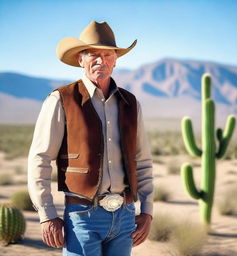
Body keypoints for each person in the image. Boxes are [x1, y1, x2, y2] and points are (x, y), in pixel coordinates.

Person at [28, 21, 154, 256]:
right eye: (93, 54)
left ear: (115, 59)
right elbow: (40, 159)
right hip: (82, 218)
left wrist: (147, 210)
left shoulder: (130, 103)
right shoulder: (60, 100)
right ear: (80, 59)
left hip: (125, 216)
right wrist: (47, 215)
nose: (100, 60)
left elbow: (142, 160)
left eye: (107, 54)